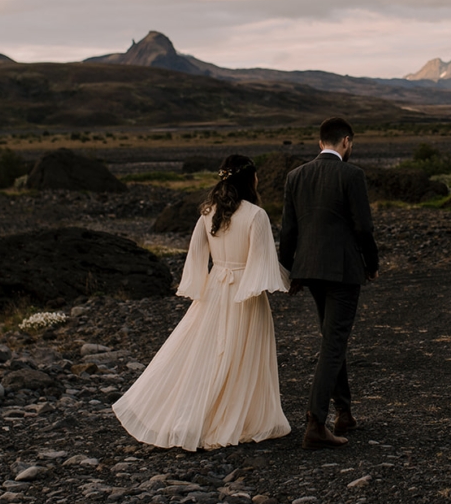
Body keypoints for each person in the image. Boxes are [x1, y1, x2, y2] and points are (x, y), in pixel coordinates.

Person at [112, 155, 292, 451]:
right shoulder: (256, 215)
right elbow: (263, 263)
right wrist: (283, 281)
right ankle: (237, 415)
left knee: (207, 351)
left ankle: (198, 412)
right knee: (242, 354)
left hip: (215, 290)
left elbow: (195, 255)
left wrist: (200, 286)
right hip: (245, 295)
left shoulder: (208, 212)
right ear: (249, 179)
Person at [279, 117, 379, 449]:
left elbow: (289, 232)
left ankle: (344, 413)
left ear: (320, 142)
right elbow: (364, 228)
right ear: (346, 142)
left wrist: (289, 271)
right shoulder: (352, 175)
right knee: (334, 342)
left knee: (331, 337)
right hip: (344, 269)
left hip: (309, 269)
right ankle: (316, 422)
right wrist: (372, 264)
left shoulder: (295, 176)